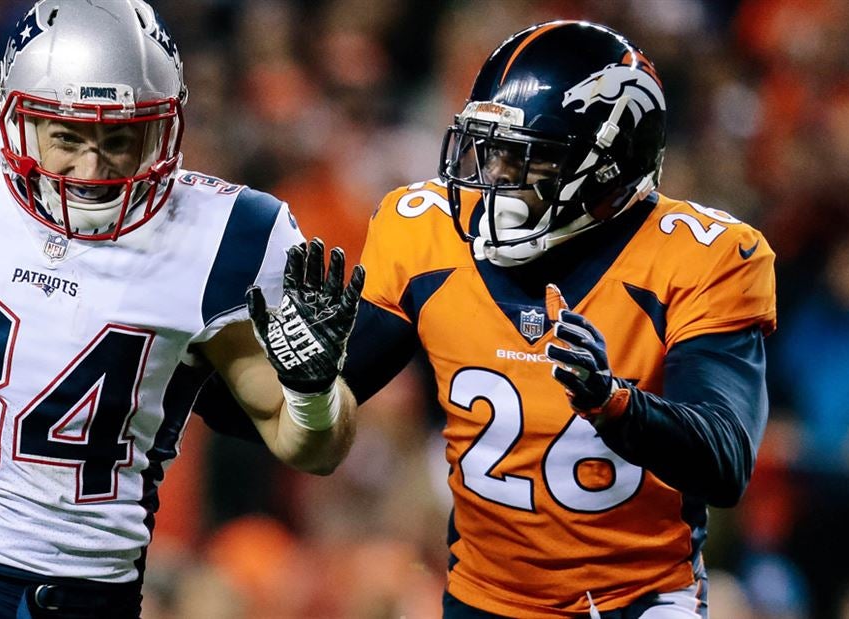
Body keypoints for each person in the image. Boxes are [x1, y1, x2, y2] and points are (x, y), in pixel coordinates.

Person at [0, 2, 363, 618]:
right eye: (68, 137)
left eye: (119, 140)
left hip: (84, 587)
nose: (92, 171)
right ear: (14, 119)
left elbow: (312, 449)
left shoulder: (224, 240)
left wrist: (314, 391)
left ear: (164, 131)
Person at [196, 19, 776, 618]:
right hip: (486, 598)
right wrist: (257, 372)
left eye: (531, 161)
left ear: (607, 168)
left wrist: (615, 403)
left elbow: (725, 462)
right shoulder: (427, 230)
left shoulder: (701, 256)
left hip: (642, 596)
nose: (496, 179)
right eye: (493, 151)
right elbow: (289, 407)